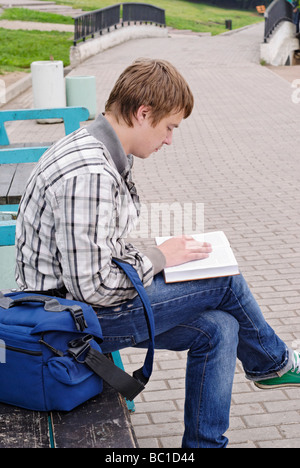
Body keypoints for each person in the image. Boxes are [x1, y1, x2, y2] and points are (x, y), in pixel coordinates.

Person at [15, 58, 300, 448]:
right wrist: (160, 257)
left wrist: (163, 255)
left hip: (75, 310)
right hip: (65, 326)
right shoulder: (90, 173)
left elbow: (101, 249)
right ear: (143, 113)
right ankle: (274, 363)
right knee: (221, 278)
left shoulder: (100, 150)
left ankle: (204, 445)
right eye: (169, 127)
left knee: (220, 326)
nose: (169, 140)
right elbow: (93, 288)